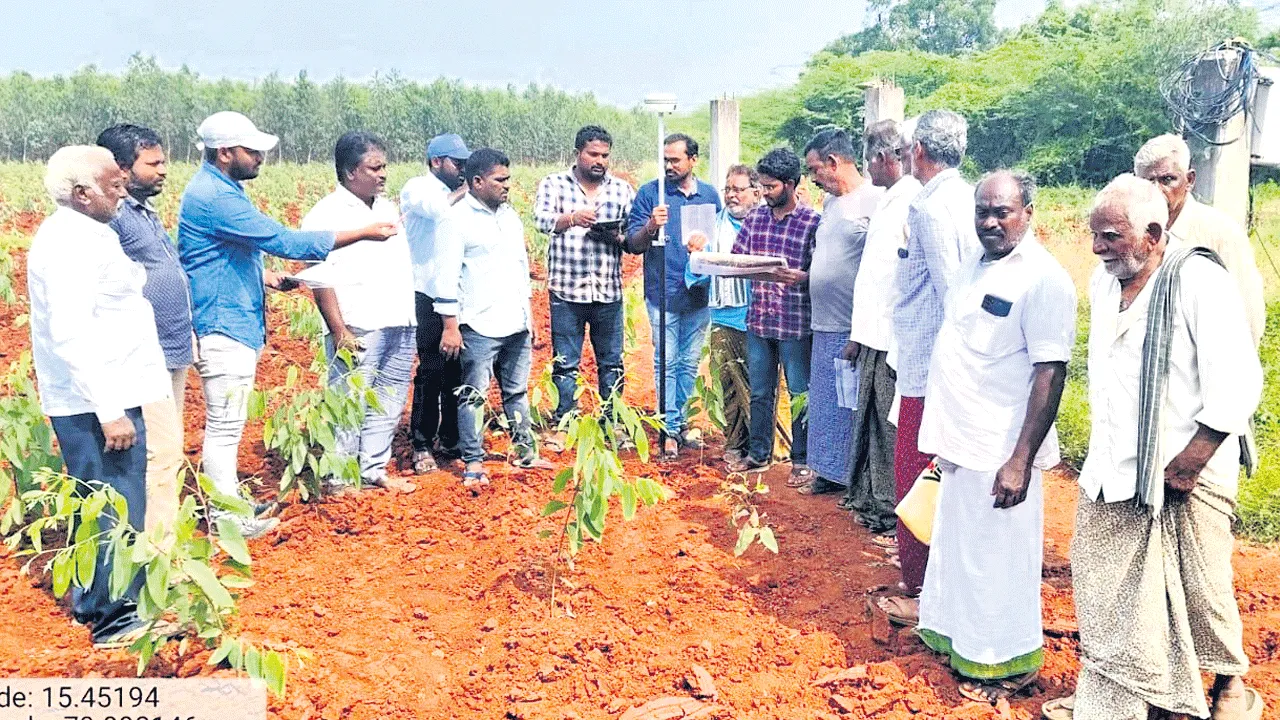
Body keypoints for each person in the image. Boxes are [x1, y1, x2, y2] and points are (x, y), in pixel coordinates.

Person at [1042, 174, 1264, 720]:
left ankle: (1228, 687)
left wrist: (1188, 464)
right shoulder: (1102, 281)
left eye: (1111, 237)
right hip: (1112, 466)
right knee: (1101, 580)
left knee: (1200, 590)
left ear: (1154, 232)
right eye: (1095, 236)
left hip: (1187, 468)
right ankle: (1125, 695)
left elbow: (1238, 381)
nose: (1098, 249)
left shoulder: (1198, 281)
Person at [179, 111, 397, 538]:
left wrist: (261, 276)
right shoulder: (215, 196)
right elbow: (282, 240)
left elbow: (207, 253)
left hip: (233, 314)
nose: (260, 157)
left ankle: (232, 505)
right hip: (223, 322)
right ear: (225, 153)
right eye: (252, 150)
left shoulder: (221, 188)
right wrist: (361, 233)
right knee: (224, 428)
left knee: (229, 424)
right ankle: (227, 521)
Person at [915, 170, 1075, 702]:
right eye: (982, 211)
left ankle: (1003, 666)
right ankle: (958, 640)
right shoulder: (974, 264)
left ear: (1028, 213)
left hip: (1001, 446)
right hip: (962, 439)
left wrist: (1020, 460)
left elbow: (1051, 373)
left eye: (1002, 211)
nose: (989, 221)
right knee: (961, 549)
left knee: (999, 562)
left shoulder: (1043, 279)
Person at [28, 146, 176, 647]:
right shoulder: (70, 243)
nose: (123, 189)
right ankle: (113, 616)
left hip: (106, 392)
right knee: (112, 507)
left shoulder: (87, 234)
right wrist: (110, 412)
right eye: (114, 184)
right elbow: (70, 333)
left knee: (107, 504)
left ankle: (103, 604)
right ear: (82, 193)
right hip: (96, 402)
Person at [882, 110, 980, 624]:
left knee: (916, 476)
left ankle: (920, 589)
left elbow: (949, 293)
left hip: (929, 366)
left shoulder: (931, 206)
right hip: (945, 364)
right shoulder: (967, 197)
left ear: (918, 149)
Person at [299, 131, 417, 494]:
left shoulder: (386, 207)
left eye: (384, 167)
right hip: (357, 323)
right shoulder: (325, 214)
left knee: (389, 397)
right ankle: (337, 476)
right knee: (348, 398)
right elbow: (319, 277)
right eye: (375, 167)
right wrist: (338, 329)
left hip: (398, 317)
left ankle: (372, 469)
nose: (383, 174)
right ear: (351, 172)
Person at [434, 148, 556, 489]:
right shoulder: (455, 220)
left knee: (516, 391)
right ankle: (473, 461)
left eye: (508, 179)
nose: (507, 186)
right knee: (474, 394)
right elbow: (446, 277)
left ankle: (525, 451)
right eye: (500, 180)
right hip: (479, 323)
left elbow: (518, 271)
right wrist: (450, 326)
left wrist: (528, 320)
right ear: (476, 182)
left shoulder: (509, 217)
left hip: (515, 322)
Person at [96, 124, 190, 534]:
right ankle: (154, 556)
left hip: (171, 346)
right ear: (121, 168)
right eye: (153, 163)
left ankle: (160, 546)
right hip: (142, 354)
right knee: (158, 455)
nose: (164, 170)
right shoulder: (111, 218)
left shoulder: (142, 211)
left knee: (168, 452)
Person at [533, 125, 638, 449]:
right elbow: (540, 221)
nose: (600, 161)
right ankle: (565, 422)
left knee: (612, 362)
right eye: (593, 154)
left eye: (605, 155)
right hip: (567, 290)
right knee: (565, 362)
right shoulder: (554, 184)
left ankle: (613, 423)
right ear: (578, 152)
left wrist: (614, 236)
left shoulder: (621, 190)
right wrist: (572, 218)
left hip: (607, 290)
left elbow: (631, 233)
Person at [842, 120, 923, 534]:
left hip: (892, 335)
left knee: (889, 425)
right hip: (874, 333)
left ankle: (894, 507)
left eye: (870, 159)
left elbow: (901, 280)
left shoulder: (911, 201)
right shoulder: (891, 199)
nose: (868, 169)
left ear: (884, 158)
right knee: (872, 419)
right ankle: (874, 499)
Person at [728, 148, 822, 485]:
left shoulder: (813, 222)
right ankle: (758, 454)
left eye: (771, 187)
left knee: (799, 392)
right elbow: (738, 258)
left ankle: (802, 460)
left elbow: (822, 272)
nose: (765, 193)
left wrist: (802, 277)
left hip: (795, 322)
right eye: (762, 187)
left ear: (791, 184)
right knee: (760, 391)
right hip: (760, 320)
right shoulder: (755, 219)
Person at [627, 133, 722, 459]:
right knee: (665, 362)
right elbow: (633, 244)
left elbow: (718, 242)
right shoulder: (650, 194)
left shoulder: (709, 195)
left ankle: (679, 422)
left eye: (675, 160)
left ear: (693, 160)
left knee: (689, 363)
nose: (669, 165)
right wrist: (652, 225)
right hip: (662, 293)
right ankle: (668, 429)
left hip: (697, 294)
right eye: (665, 159)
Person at [802, 129, 884, 496]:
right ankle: (827, 471)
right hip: (822, 321)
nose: (814, 179)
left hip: (851, 326)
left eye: (816, 170)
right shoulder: (832, 204)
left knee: (849, 404)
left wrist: (860, 328)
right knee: (825, 403)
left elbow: (880, 271)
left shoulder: (875, 201)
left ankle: (850, 477)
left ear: (834, 163)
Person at [1134, 134, 1266, 345]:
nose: (1158, 190)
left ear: (1190, 180)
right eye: (1148, 181)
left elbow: (1249, 315)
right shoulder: (1134, 231)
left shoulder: (1221, 233)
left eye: (1167, 179)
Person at [402, 133, 472, 474]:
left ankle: (451, 438)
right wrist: (469, 189)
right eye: (458, 164)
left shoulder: (463, 196)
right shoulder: (418, 189)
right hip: (427, 292)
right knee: (431, 369)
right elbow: (439, 210)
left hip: (458, 294)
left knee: (458, 370)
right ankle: (421, 442)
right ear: (435, 162)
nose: (462, 171)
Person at [685, 165, 762, 464]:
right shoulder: (710, 228)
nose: (731, 195)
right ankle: (734, 444)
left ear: (755, 193)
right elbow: (695, 275)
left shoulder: (765, 224)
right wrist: (696, 256)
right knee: (729, 385)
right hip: (724, 318)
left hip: (761, 317)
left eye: (738, 189)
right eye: (727, 189)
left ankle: (762, 446)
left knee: (757, 387)